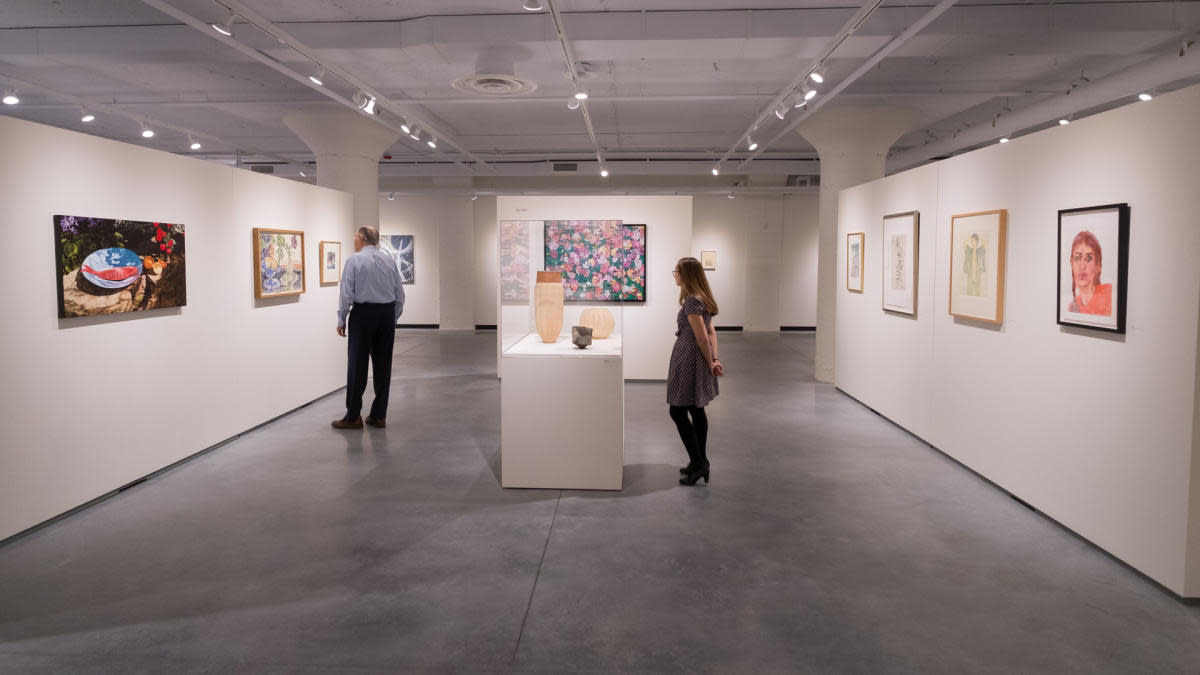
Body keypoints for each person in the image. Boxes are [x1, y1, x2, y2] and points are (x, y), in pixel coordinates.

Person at [332, 226, 406, 429]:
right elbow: (400, 295)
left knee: (357, 366)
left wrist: (341, 319)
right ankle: (379, 415)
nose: (354, 239)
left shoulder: (354, 260)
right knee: (383, 367)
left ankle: (353, 416)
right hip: (386, 315)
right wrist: (392, 317)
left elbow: (346, 293)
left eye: (355, 236)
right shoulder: (389, 260)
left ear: (362, 239)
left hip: (363, 315)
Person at [667, 257, 724, 486]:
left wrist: (710, 361)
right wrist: (714, 359)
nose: (674, 275)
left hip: (689, 358)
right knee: (695, 409)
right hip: (698, 358)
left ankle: (699, 463)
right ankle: (700, 461)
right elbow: (712, 332)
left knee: (678, 411)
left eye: (677, 271)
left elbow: (702, 336)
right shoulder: (702, 299)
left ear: (686, 275)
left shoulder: (691, 301)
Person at [1067, 230, 1111, 315]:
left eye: (1088, 258)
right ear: (1072, 263)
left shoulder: (1109, 294)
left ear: (1097, 265)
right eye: (1077, 258)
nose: (1082, 266)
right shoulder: (1072, 308)